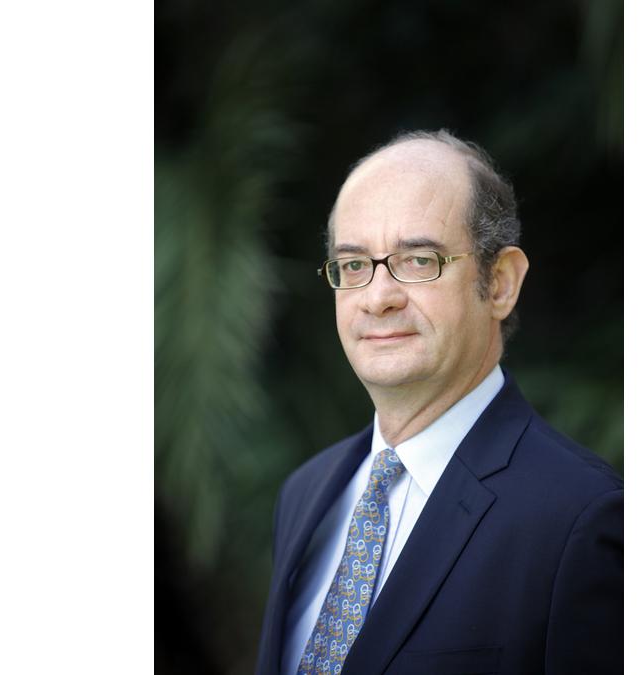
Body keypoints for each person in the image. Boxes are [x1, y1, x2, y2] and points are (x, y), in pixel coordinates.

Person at [255, 130, 622, 675]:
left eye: (419, 260)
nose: (378, 298)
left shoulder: (581, 520)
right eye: (353, 265)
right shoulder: (305, 494)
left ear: (500, 283)